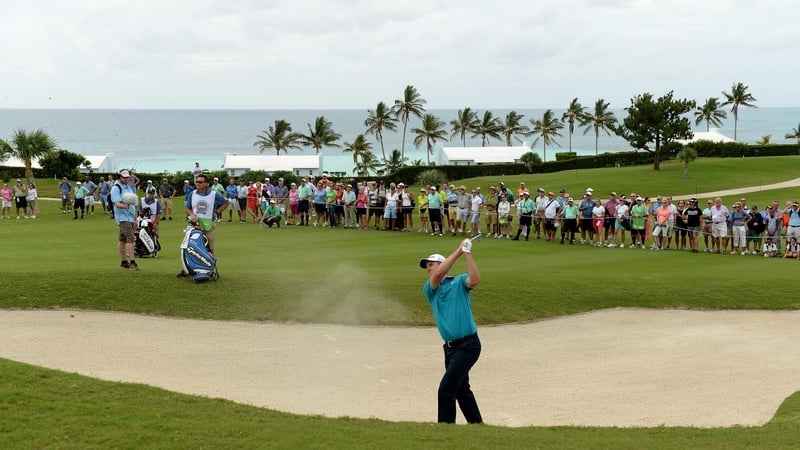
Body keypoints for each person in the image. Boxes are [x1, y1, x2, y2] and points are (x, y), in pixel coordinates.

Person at [419, 238, 483, 425]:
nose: (428, 268)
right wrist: (458, 251)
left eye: (431, 264)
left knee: (446, 389)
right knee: (461, 390)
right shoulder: (430, 289)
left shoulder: (460, 281)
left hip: (469, 345)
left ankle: (445, 429)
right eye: (427, 266)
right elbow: (438, 274)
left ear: (442, 263)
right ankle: (478, 425)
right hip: (450, 349)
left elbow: (476, 279)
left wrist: (467, 253)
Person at [185, 174, 229, 254]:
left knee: (209, 246)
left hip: (209, 223)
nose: (198, 184)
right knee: (193, 246)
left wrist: (218, 210)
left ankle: (210, 264)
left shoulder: (213, 194)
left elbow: (225, 202)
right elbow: (188, 208)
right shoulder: (192, 193)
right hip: (195, 223)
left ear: (206, 184)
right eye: (197, 182)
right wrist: (191, 215)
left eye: (200, 182)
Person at [110, 169, 140, 271]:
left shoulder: (129, 187)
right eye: (124, 177)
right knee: (130, 238)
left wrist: (135, 218)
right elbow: (116, 203)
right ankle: (132, 262)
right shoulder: (116, 188)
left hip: (130, 217)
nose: (126, 179)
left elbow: (133, 203)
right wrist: (125, 206)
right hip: (122, 218)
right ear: (119, 177)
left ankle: (123, 262)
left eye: (127, 177)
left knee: (122, 239)